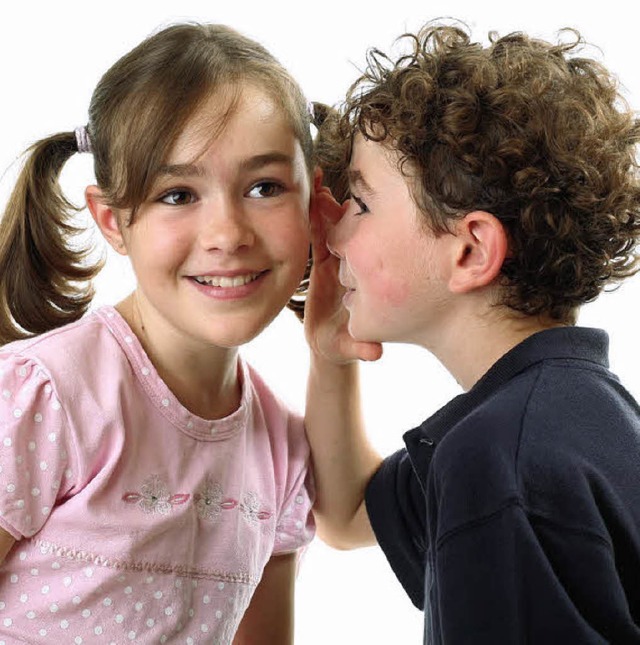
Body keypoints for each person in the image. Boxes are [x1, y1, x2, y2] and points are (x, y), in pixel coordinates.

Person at [305, 23, 640, 643]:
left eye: (361, 203)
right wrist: (331, 356)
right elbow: (347, 514)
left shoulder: (499, 461)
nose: (333, 235)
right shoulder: (575, 418)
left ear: (470, 251)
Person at [0, 22, 316, 644]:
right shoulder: (48, 395)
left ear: (315, 201)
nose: (227, 233)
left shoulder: (282, 448)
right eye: (178, 194)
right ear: (112, 221)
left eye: (265, 187)